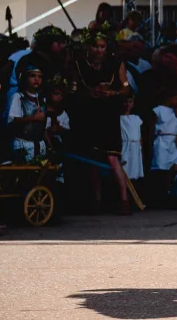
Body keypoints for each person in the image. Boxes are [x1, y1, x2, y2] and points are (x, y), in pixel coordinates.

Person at [68, 28, 132, 215]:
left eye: (102, 46)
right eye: (96, 46)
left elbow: (126, 87)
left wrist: (114, 92)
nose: (99, 50)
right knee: (93, 158)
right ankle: (97, 200)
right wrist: (89, 93)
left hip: (109, 113)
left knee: (112, 157)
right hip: (88, 113)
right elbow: (72, 90)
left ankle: (124, 199)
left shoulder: (115, 63)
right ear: (89, 47)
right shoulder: (79, 64)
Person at [7, 65, 47, 162]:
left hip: (40, 145)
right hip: (23, 145)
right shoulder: (18, 97)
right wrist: (34, 117)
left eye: (40, 76)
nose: (37, 79)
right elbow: (13, 122)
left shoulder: (42, 99)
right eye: (33, 76)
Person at [151, 88, 177, 186]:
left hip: (174, 144)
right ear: (169, 98)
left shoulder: (174, 112)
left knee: (176, 167)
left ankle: (171, 188)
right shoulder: (158, 110)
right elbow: (151, 128)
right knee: (162, 167)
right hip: (163, 142)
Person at [119, 96, 145, 183]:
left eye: (130, 102)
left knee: (134, 169)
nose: (128, 104)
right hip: (125, 145)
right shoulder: (120, 118)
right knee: (124, 168)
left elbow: (139, 134)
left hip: (136, 146)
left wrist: (141, 148)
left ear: (133, 104)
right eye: (125, 102)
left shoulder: (136, 118)